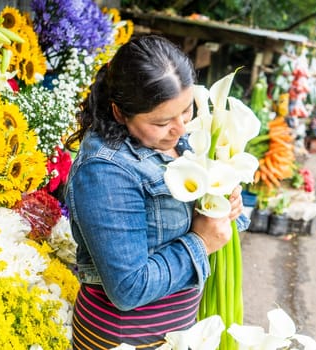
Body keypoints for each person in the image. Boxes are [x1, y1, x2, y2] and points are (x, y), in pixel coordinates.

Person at [64, 35, 249, 349]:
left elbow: (209, 223)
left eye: (186, 110)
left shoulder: (178, 141)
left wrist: (228, 206)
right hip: (124, 340)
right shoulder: (105, 170)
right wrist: (202, 242)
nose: (180, 128)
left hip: (177, 332)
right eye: (163, 121)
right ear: (120, 113)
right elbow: (128, 289)